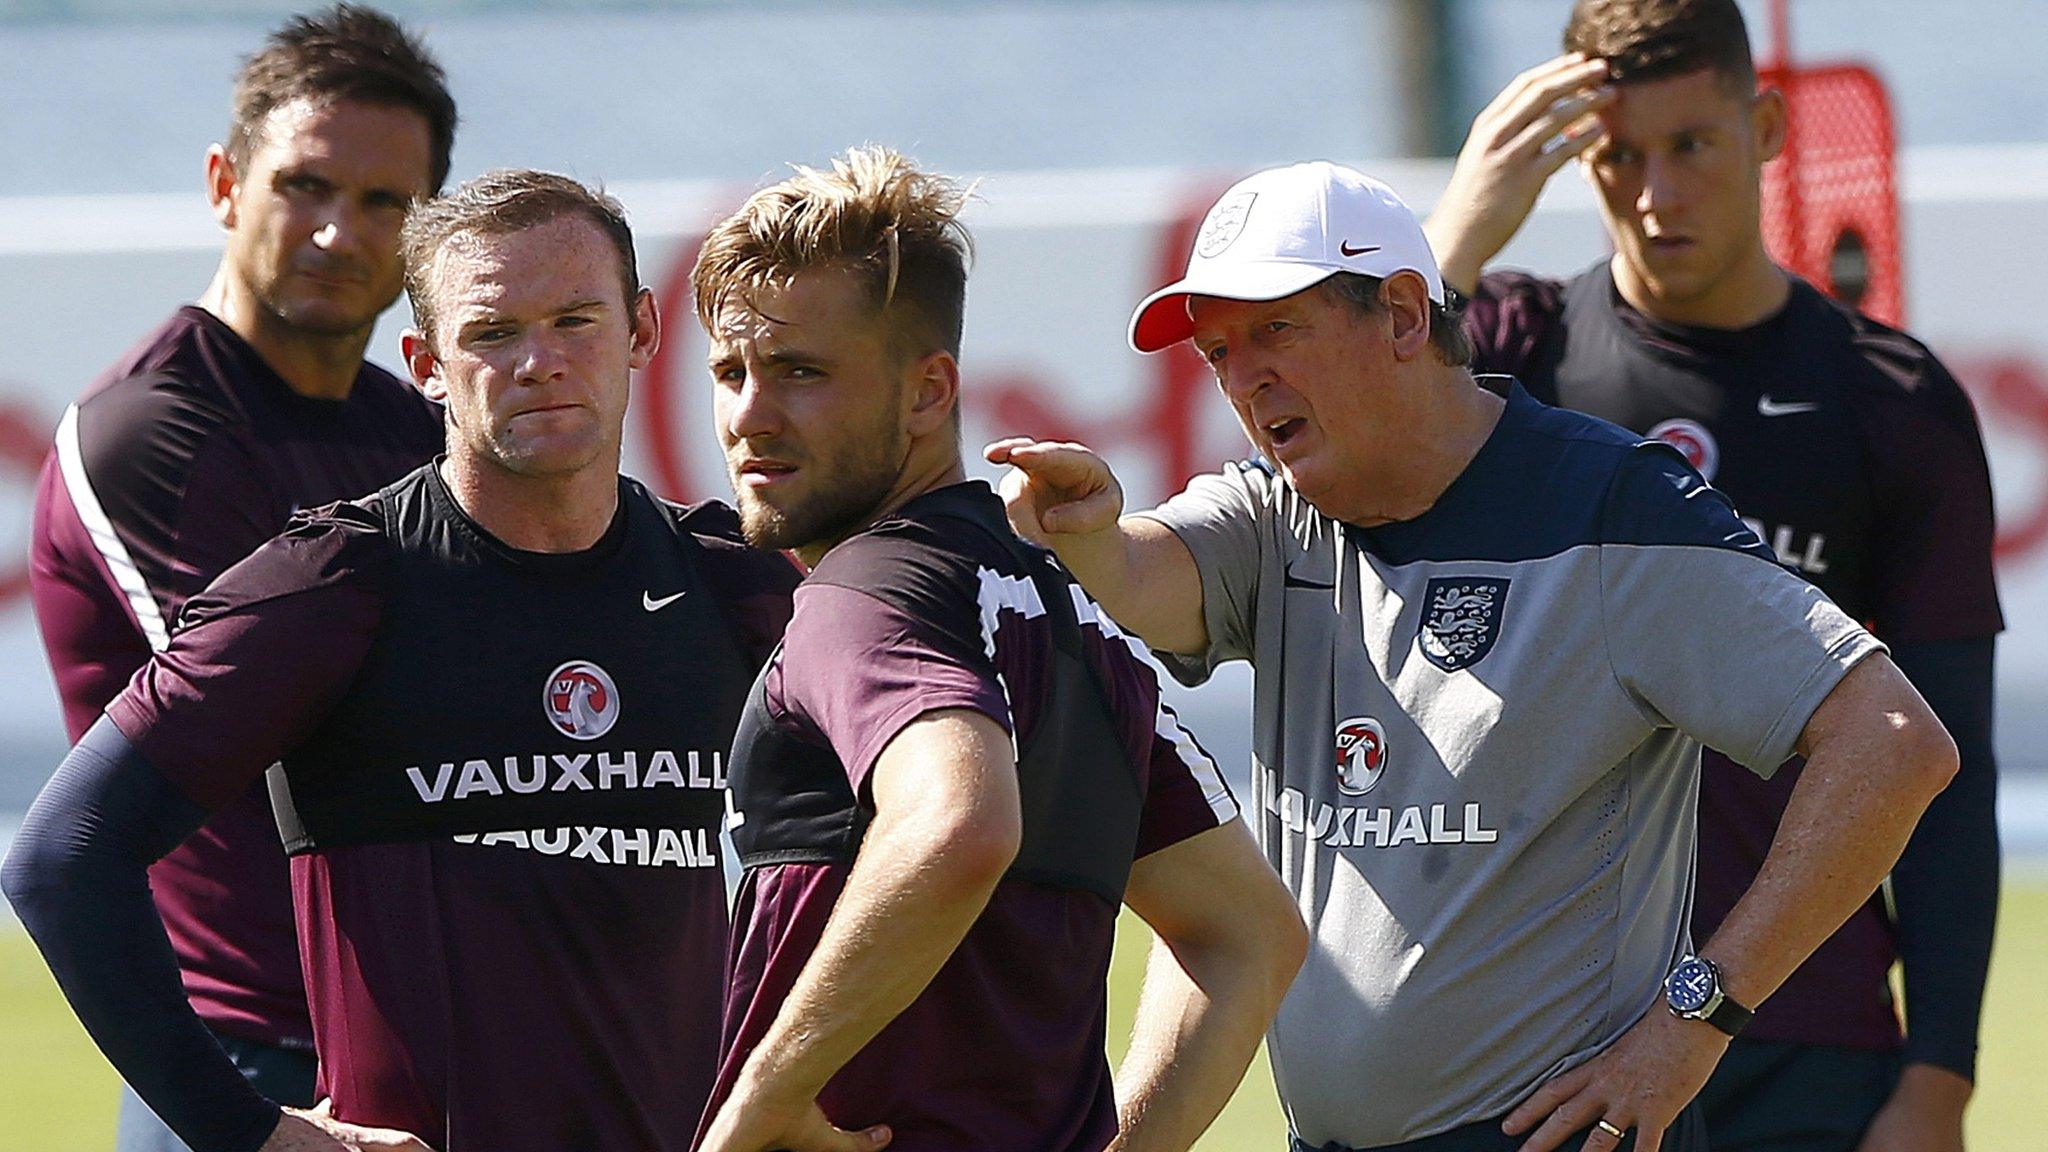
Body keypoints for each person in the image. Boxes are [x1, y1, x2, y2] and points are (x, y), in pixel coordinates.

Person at [989, 158, 1958, 1152]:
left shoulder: (1611, 509)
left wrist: (1693, 1021)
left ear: (1405, 316)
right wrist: (1091, 536)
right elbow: (1151, 579)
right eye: (1218, 351)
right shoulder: (1274, 508)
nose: (1242, 377)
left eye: (1276, 329)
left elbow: (1891, 743)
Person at [4, 171, 798, 1152]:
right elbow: (62, 854)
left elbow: (926, 810)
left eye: (576, 320)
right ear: (426, 363)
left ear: (642, 332)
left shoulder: (729, 581)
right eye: (492, 333)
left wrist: (808, 1073)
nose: (540, 361)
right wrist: (249, 1131)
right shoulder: (331, 585)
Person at [1422, 2, 2002, 1148]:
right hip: (1554, 1046)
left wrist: (1936, 1080)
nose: (1653, 192)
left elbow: (1948, 773)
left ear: (1766, 126)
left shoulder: (1890, 403)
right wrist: (1447, 239)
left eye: (1689, 144)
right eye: (1616, 156)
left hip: (1809, 1040)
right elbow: (1290, 484)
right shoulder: (1500, 356)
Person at [687, 145, 1306, 1152]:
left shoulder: (862, 594)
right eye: (729, 370)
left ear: (929, 392)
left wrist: (754, 1105)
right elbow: (1248, 936)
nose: (750, 413)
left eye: (799, 371)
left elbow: (960, 826)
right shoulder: (1071, 615)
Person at [28, 8, 456, 1147]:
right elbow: (323, 717)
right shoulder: (151, 432)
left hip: (431, 1041)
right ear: (225, 183)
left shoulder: (419, 427)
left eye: (384, 204)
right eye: (304, 185)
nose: (335, 232)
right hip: (251, 1068)